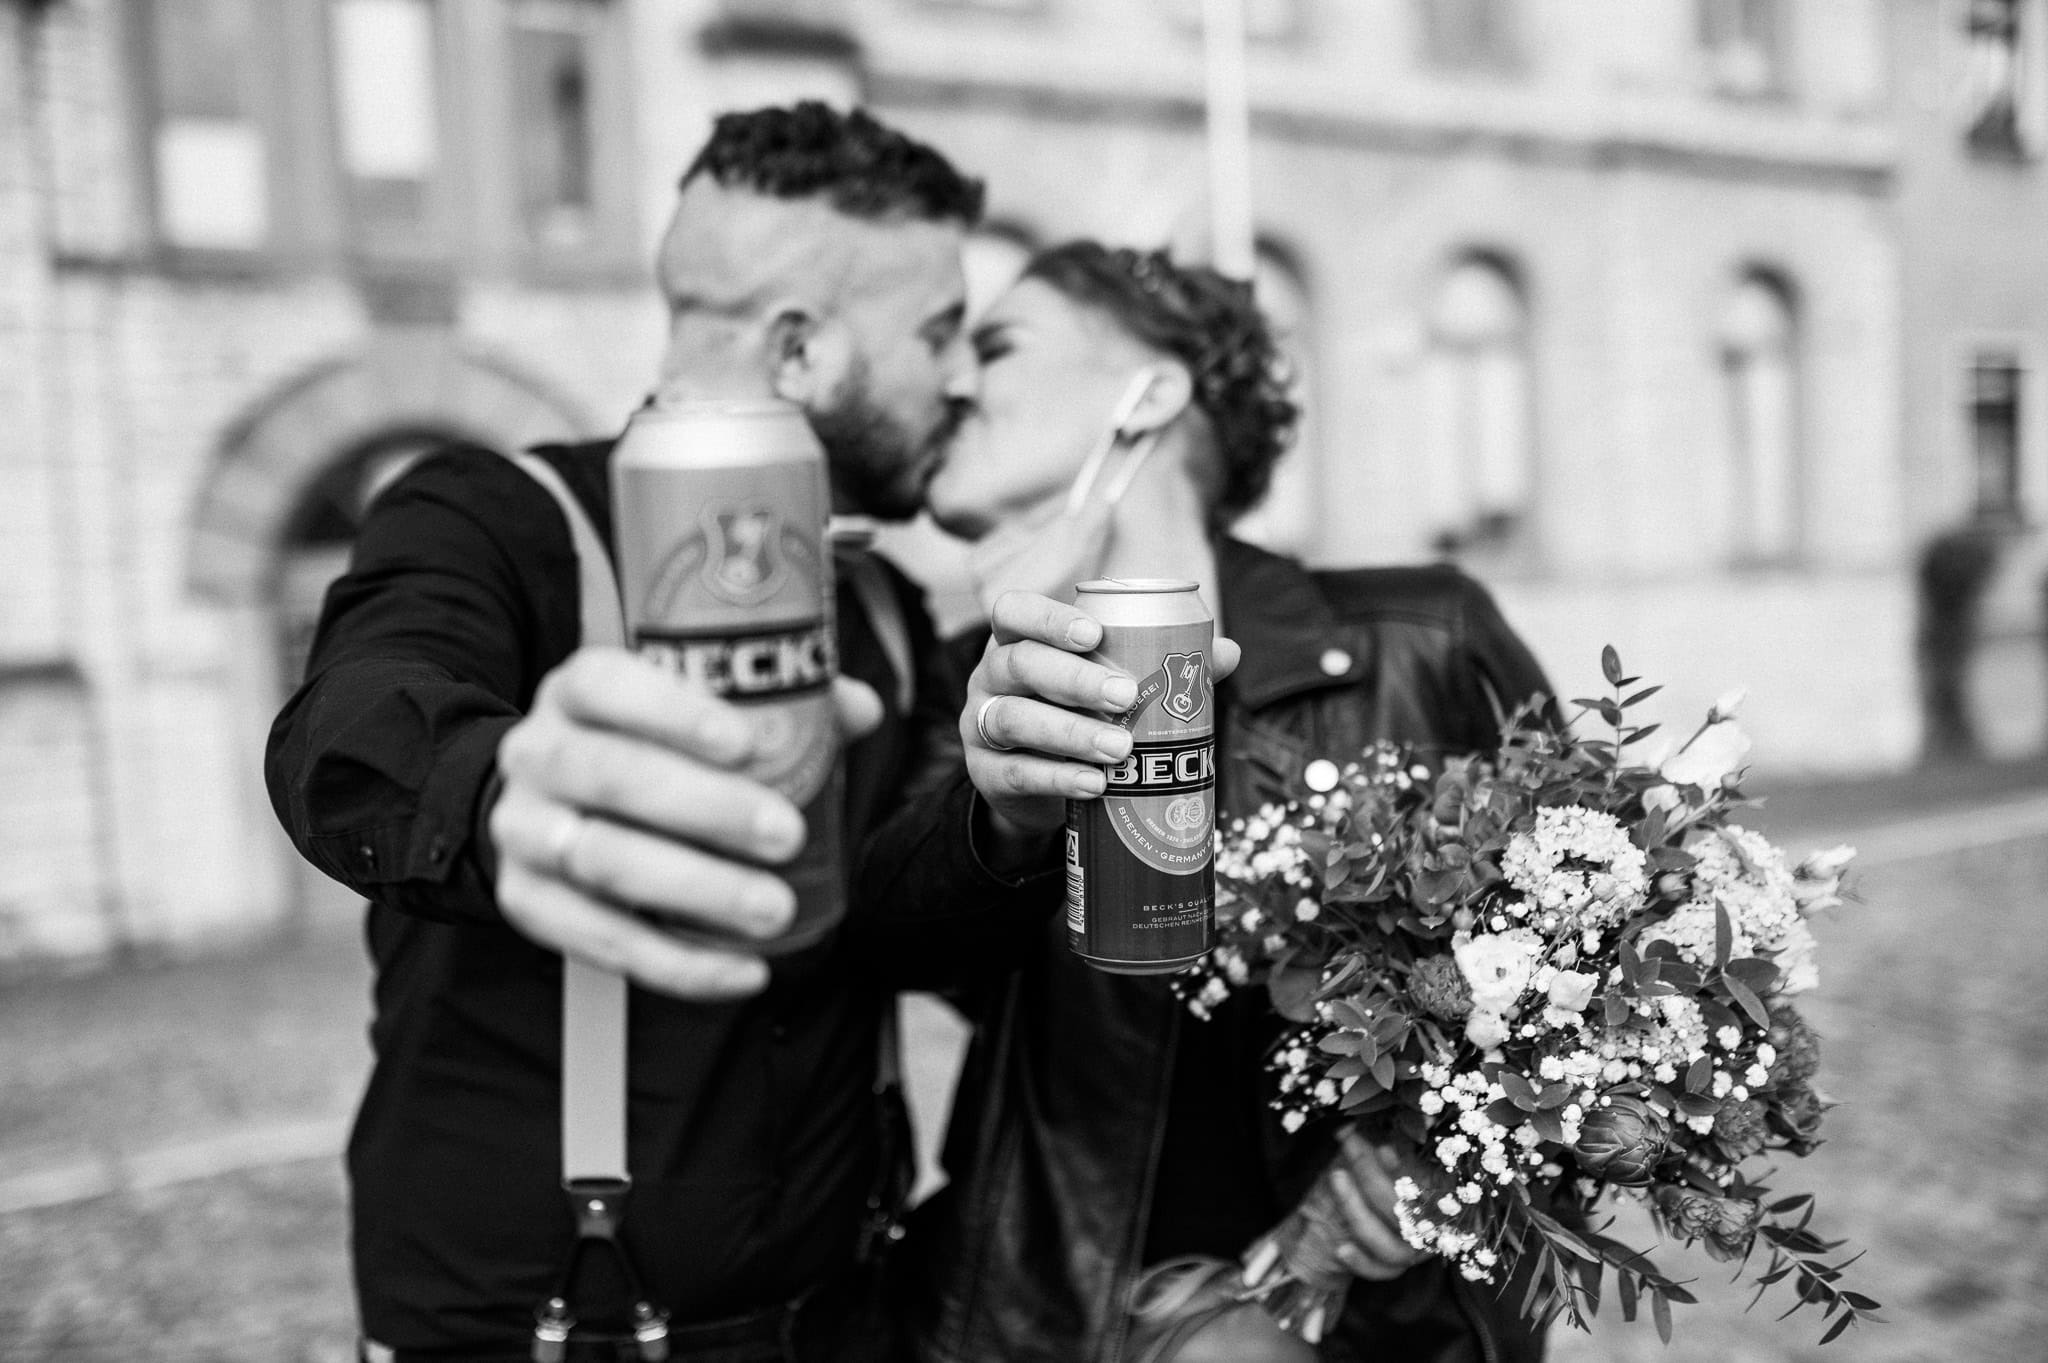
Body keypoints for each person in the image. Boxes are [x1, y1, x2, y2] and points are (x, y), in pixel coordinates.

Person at [265, 104, 1063, 1362]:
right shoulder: (490, 516)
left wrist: (1002, 821)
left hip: (842, 1319)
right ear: (800, 352)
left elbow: (907, 926)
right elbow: (350, 726)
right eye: (936, 331)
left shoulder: (887, 607)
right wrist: (499, 798)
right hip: (534, 1338)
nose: (961, 377)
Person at [901, 242, 1555, 1363]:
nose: (953, 382)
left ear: (1150, 391)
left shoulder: (1425, 638)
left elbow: (1584, 958)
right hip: (1041, 1319)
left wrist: (1449, 1152)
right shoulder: (964, 679)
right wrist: (999, 805)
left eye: (997, 345)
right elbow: (892, 945)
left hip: (1383, 1334)